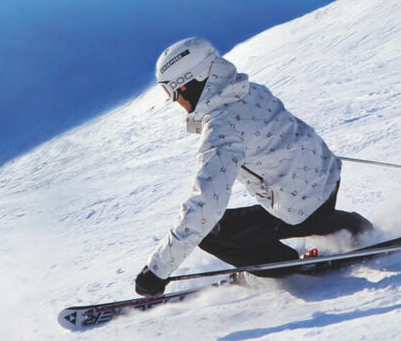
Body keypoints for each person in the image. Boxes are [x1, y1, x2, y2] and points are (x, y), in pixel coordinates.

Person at [135, 37, 370, 297]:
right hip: (327, 178)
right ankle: (351, 226)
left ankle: (290, 267)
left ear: (191, 82)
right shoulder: (250, 90)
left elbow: (206, 204)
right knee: (298, 205)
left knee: (213, 233)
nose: (174, 101)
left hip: (301, 205)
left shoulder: (222, 129)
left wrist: (157, 270)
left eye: (171, 91)